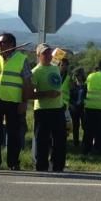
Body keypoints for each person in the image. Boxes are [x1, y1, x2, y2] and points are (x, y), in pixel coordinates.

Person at [0, 32, 33, 171]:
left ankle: (13, 162)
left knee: (14, 133)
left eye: (3, 42)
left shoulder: (21, 59)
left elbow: (28, 83)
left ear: (12, 45)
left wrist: (24, 103)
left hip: (14, 101)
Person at [31, 44, 66, 172]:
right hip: (42, 110)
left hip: (58, 108)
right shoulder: (35, 72)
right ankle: (41, 166)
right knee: (42, 141)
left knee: (60, 140)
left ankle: (58, 166)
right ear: (39, 55)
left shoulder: (55, 68)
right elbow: (30, 94)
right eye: (44, 53)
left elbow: (61, 56)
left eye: (49, 53)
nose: (47, 56)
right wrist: (46, 94)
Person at [83, 60, 101, 155]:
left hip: (89, 107)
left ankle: (86, 149)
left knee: (88, 130)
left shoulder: (90, 76)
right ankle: (99, 149)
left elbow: (85, 87)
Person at [70, 67, 86, 147]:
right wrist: (73, 104)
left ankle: (84, 142)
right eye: (76, 75)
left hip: (83, 108)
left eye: (78, 75)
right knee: (75, 126)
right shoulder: (72, 86)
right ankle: (75, 143)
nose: (77, 77)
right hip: (74, 108)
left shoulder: (86, 85)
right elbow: (70, 97)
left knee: (84, 126)